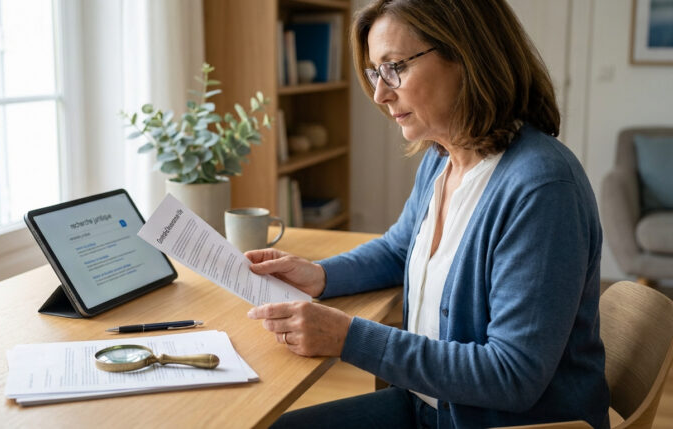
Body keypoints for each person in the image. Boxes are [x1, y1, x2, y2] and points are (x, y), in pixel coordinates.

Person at [245, 0, 610, 428]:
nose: (381, 93)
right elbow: (400, 249)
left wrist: (348, 337)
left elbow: (512, 375)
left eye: (394, 66)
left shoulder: (542, 188)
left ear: (466, 55)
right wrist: (320, 275)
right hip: (431, 407)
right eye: (375, 73)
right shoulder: (441, 158)